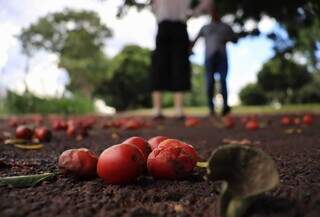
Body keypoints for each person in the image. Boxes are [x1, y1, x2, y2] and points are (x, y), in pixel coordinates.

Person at [150, 0, 209, 120]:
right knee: (178, 66)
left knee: (161, 66)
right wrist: (193, 13)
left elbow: (154, 7)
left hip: (165, 26)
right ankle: (178, 110)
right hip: (179, 27)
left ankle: (158, 110)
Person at [191, 7, 237, 117]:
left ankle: (225, 107)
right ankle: (211, 109)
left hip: (222, 57)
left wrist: (228, 38)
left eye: (216, 11)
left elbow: (235, 39)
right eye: (212, 12)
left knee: (223, 81)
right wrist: (188, 49)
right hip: (209, 58)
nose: (214, 13)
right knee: (210, 82)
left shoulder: (226, 27)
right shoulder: (205, 27)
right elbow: (195, 40)